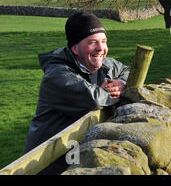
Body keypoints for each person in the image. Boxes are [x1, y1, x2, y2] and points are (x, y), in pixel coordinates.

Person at [24, 11, 130, 174]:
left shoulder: (103, 65)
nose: (101, 48)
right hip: (46, 164)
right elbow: (93, 99)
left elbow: (128, 70)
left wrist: (121, 83)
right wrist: (115, 91)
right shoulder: (57, 75)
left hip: (75, 157)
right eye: (93, 42)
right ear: (74, 48)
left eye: (103, 41)